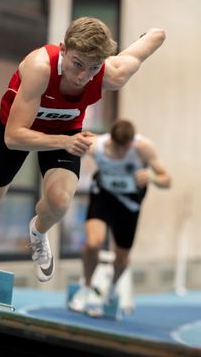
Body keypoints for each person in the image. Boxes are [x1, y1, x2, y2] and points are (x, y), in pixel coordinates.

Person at [0, 17, 166, 300]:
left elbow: (154, 39)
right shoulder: (40, 67)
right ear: (63, 49)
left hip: (65, 132)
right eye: (78, 64)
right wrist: (65, 142)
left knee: (60, 203)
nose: (83, 76)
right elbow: (13, 137)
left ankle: (38, 233)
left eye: (93, 68)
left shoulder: (111, 73)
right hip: (17, 129)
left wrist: (150, 32)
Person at [68, 119, 171, 316]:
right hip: (103, 196)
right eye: (118, 148)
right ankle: (87, 287)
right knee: (92, 242)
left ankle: (112, 288)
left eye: (127, 149)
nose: (122, 153)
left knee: (122, 256)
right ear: (111, 141)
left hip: (129, 204)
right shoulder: (96, 146)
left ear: (132, 143)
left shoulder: (144, 148)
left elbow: (167, 180)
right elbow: (69, 146)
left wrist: (152, 178)